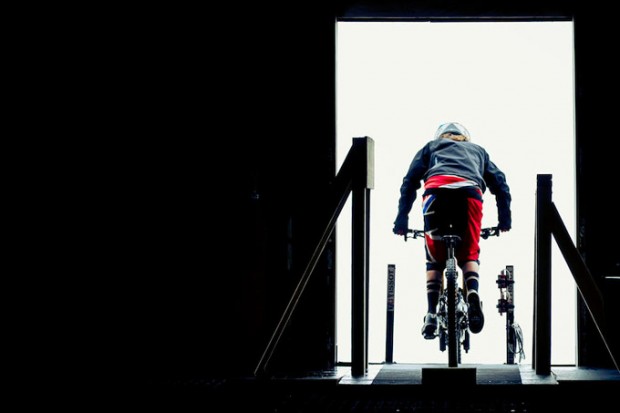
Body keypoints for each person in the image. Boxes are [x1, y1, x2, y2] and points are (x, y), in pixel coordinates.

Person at [392, 122, 511, 339]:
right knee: (469, 253)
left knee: (434, 259)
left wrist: (401, 219)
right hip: (469, 195)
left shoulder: (431, 147)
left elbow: (409, 182)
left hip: (436, 194)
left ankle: (431, 314)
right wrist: (505, 219)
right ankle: (472, 291)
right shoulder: (478, 151)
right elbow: (500, 184)